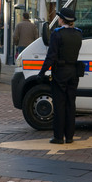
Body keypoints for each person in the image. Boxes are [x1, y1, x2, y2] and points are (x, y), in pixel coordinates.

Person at [37, 8, 82, 144]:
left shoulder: (57, 34)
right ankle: (69, 136)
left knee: (59, 105)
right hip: (74, 72)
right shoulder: (79, 34)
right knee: (70, 104)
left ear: (62, 20)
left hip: (60, 72)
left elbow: (51, 56)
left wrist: (42, 72)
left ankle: (58, 137)